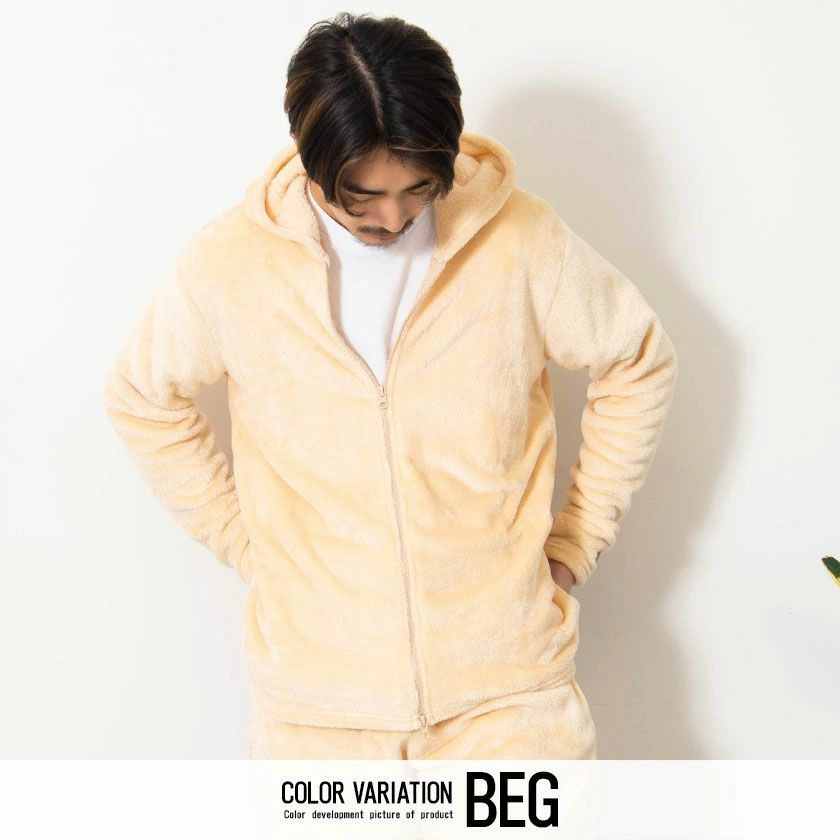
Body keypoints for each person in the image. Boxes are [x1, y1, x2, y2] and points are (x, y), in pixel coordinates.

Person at [103, 12, 678, 760]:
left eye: (418, 188)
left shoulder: (522, 241)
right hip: (319, 710)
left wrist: (578, 537)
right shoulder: (230, 265)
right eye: (362, 195)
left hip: (508, 697)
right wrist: (250, 545)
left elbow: (637, 359)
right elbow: (143, 399)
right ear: (311, 158)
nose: (393, 216)